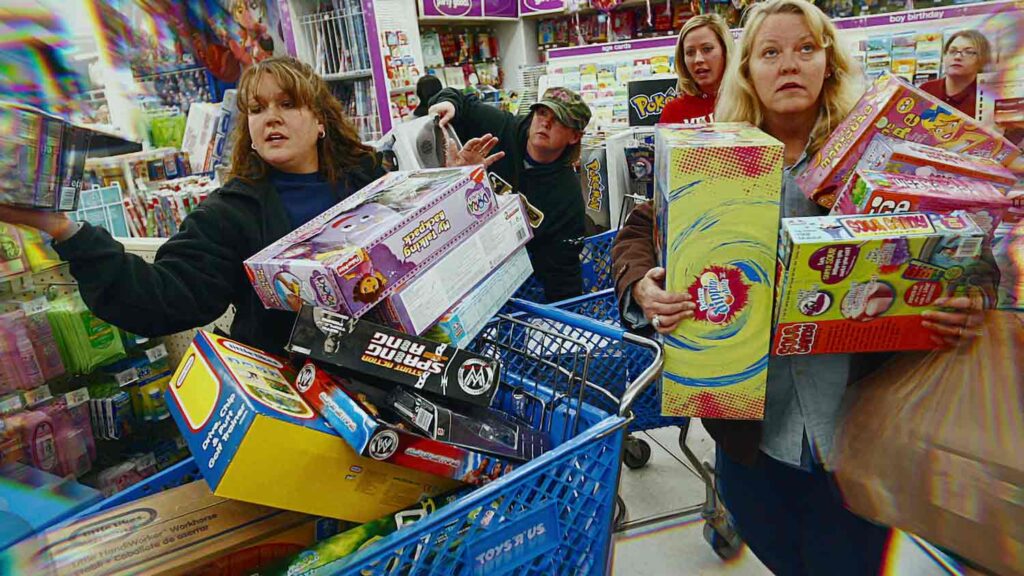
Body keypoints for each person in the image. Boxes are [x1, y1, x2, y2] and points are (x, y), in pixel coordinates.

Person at [611, 1, 985, 573]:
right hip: (753, 437)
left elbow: (968, 247)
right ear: (749, 72)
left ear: (828, 63)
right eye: (771, 52)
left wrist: (971, 296)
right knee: (781, 551)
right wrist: (643, 285)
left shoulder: (880, 157)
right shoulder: (718, 157)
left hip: (863, 435)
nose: (790, 64)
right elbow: (637, 231)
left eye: (806, 49)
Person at [0, 57, 499, 356]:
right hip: (304, 400)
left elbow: (435, 256)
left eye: (287, 104)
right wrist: (66, 230)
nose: (271, 119)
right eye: (257, 110)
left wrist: (449, 185)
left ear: (321, 120)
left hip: (404, 375)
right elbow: (165, 298)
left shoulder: (372, 180)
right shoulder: (229, 214)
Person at [429, 86, 591, 302]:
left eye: (559, 120)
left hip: (506, 280)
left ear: (574, 137)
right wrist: (448, 104)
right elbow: (460, 100)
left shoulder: (566, 196)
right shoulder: (501, 128)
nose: (545, 123)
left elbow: (563, 269)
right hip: (449, 246)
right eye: (542, 113)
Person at [659, 13, 734, 124]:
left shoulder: (748, 100)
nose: (698, 59)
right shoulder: (674, 112)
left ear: (725, 50)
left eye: (707, 49)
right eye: (690, 52)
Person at [919, 30, 990, 118]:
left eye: (968, 52)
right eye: (953, 51)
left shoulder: (987, 98)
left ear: (982, 60)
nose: (957, 57)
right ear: (944, 56)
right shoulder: (926, 90)